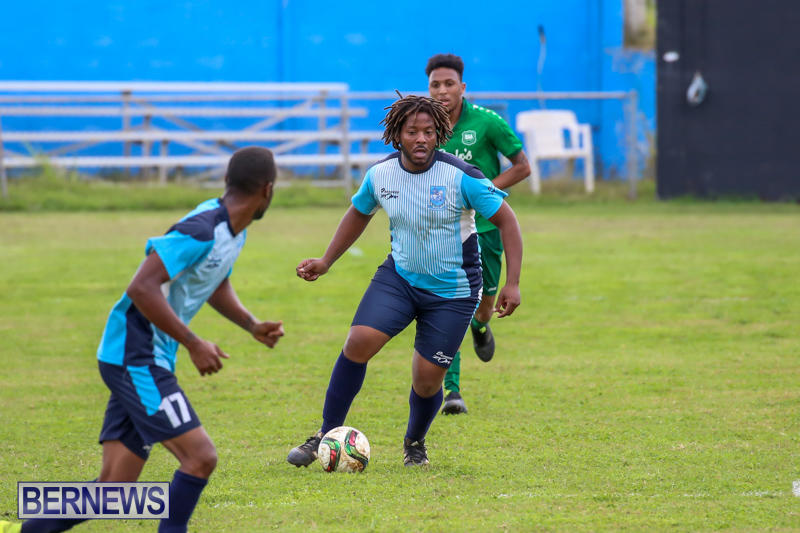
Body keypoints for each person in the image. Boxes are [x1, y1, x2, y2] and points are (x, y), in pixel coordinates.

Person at [6, 147, 284, 533]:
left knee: (113, 489)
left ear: (227, 181)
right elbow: (141, 287)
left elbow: (213, 279)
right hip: (135, 356)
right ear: (268, 189)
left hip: (141, 356)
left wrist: (251, 325)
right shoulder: (200, 229)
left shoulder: (233, 231)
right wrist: (193, 343)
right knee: (200, 458)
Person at [286, 95, 522, 468]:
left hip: (453, 292)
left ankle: (414, 442)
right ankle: (325, 435)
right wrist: (326, 260)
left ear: (440, 134)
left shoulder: (462, 176)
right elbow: (358, 213)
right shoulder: (380, 175)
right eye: (412, 131)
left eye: (429, 131)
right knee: (357, 342)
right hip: (399, 279)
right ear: (397, 134)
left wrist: (512, 283)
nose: (421, 138)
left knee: (427, 380)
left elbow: (507, 221)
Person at [426, 53, 531, 415]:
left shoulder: (487, 122)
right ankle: (452, 391)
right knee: (448, 303)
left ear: (462, 87)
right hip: (442, 230)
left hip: (484, 229)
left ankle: (481, 327)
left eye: (449, 84)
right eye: (435, 85)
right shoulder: (423, 125)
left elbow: (522, 166)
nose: (442, 91)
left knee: (483, 306)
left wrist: (483, 193)